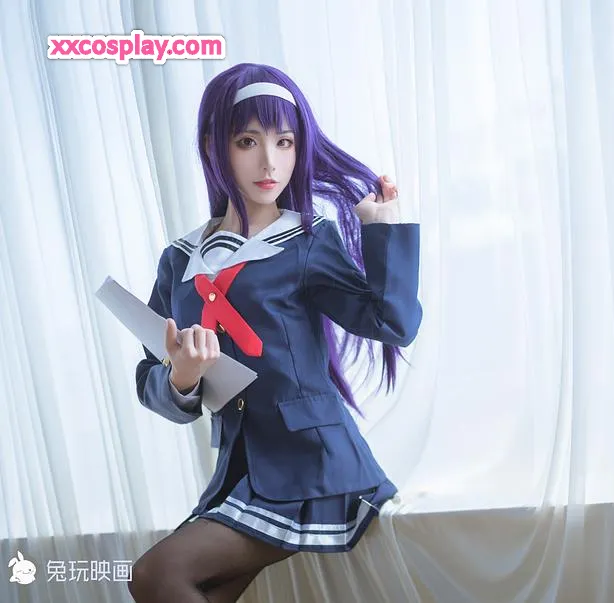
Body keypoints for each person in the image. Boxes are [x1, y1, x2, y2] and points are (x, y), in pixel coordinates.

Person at [127, 63, 422, 602]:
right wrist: (182, 378)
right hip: (240, 473)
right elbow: (151, 378)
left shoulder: (306, 240)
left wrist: (384, 228)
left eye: (284, 142)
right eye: (248, 141)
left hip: (315, 466)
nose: (270, 161)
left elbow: (392, 324)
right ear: (214, 146)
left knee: (154, 575)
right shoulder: (180, 260)